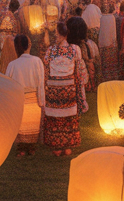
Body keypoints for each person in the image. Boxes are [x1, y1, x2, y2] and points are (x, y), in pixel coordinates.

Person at [42, 20, 88, 156]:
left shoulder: (51, 51)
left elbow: (45, 70)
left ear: (62, 35)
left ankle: (57, 146)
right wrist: (80, 88)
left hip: (54, 90)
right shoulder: (74, 50)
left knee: (56, 118)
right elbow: (79, 72)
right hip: (68, 90)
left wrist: (45, 86)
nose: (55, 37)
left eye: (56, 34)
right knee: (68, 118)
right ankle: (67, 146)